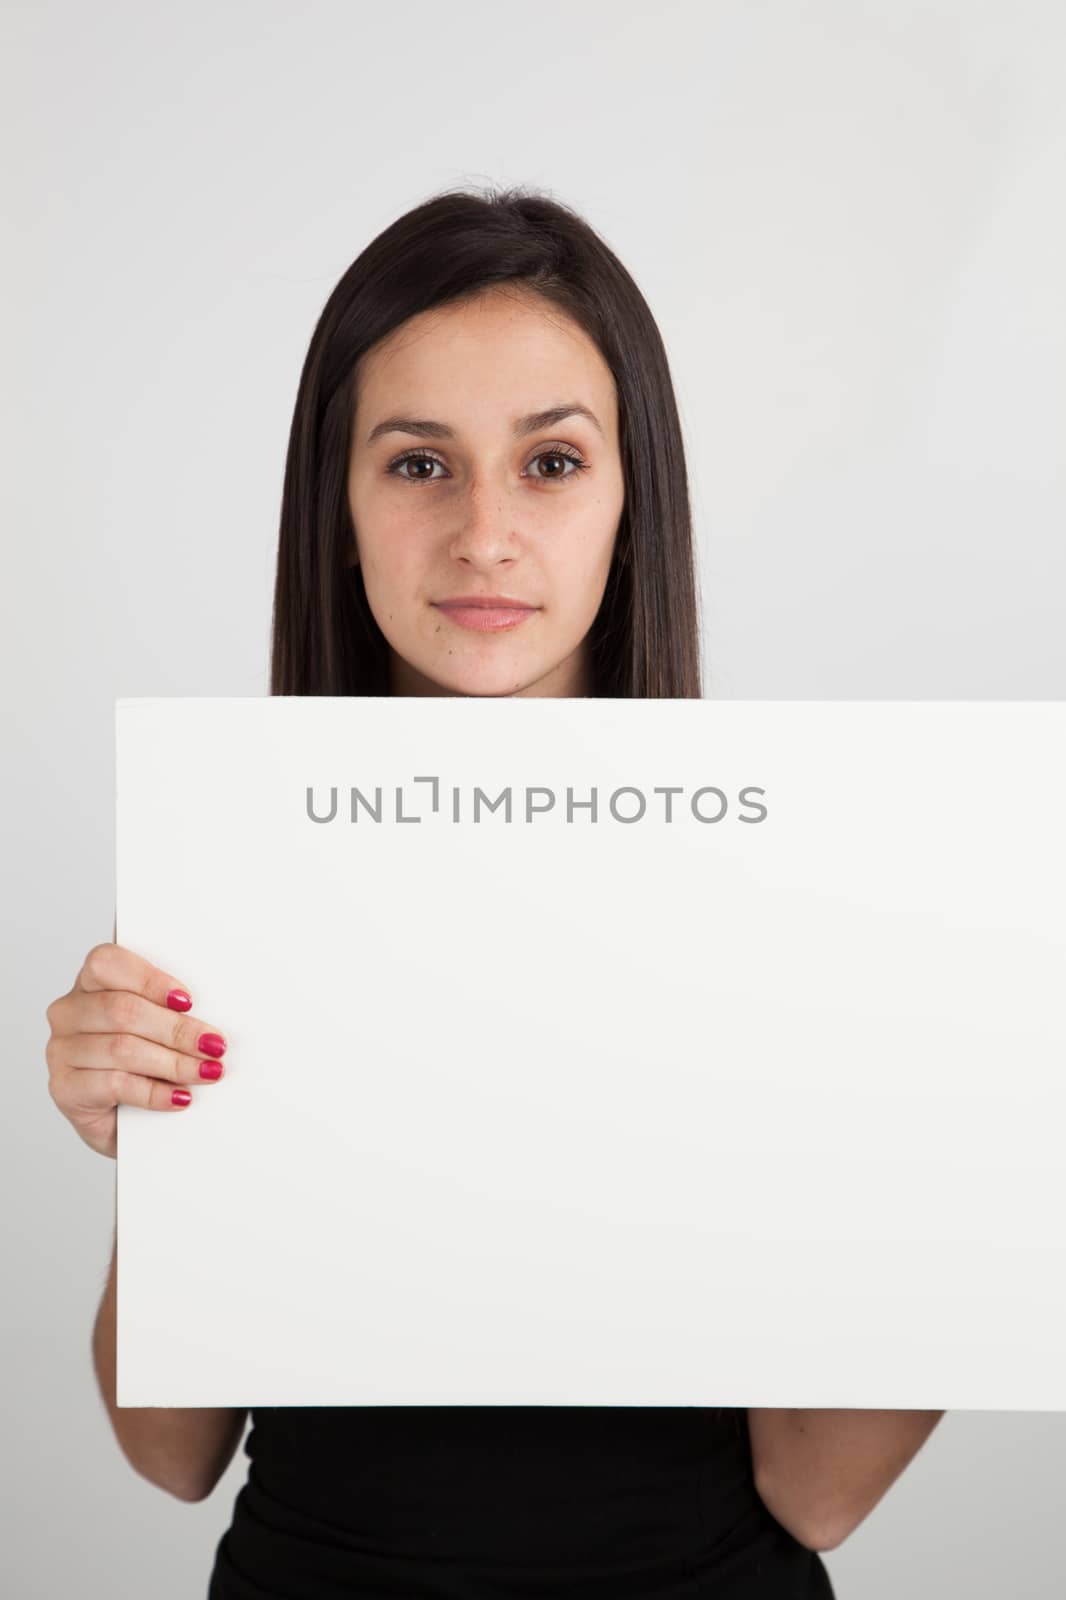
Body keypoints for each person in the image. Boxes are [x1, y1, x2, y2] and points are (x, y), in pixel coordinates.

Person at [45, 185, 943, 1597]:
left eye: (549, 463)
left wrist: (947, 1155)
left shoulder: (799, 898)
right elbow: (166, 1445)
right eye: (416, 465)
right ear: (337, 511)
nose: (481, 533)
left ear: (628, 500)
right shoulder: (241, 869)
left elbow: (819, 1491)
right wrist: (154, 1142)